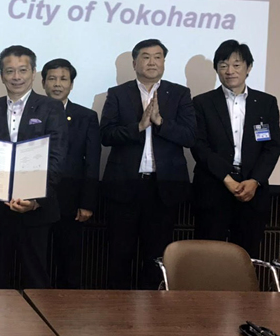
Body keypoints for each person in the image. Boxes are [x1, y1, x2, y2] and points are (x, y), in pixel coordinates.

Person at [0, 45, 67, 289]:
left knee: (35, 278)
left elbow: (56, 158)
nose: (16, 77)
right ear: (2, 75)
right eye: (10, 71)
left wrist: (34, 200)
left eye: (22, 70)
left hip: (35, 210)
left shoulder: (51, 108)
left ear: (33, 73)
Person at [100, 39, 196, 290]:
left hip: (163, 188)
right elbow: (106, 135)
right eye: (146, 57)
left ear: (164, 62)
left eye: (157, 57)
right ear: (134, 63)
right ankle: (117, 314)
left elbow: (189, 136)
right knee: (120, 254)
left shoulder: (179, 94)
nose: (152, 62)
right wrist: (139, 127)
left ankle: (152, 316)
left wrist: (160, 122)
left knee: (156, 258)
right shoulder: (118, 94)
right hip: (125, 187)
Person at [192, 40, 280, 258]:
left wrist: (255, 180)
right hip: (214, 189)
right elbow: (199, 146)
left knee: (247, 257)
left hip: (253, 192)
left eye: (236, 65)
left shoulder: (266, 103)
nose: (229, 71)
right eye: (223, 65)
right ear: (217, 69)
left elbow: (272, 146)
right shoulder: (202, 103)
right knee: (208, 258)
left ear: (249, 67)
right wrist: (227, 179)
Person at [41, 58, 100, 289]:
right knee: (39, 261)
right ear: (43, 83)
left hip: (72, 200)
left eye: (63, 79)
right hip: (37, 199)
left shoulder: (86, 117)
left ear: (71, 84)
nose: (57, 84)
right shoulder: (31, 113)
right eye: (52, 79)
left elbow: (92, 162)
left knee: (70, 261)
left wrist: (87, 202)